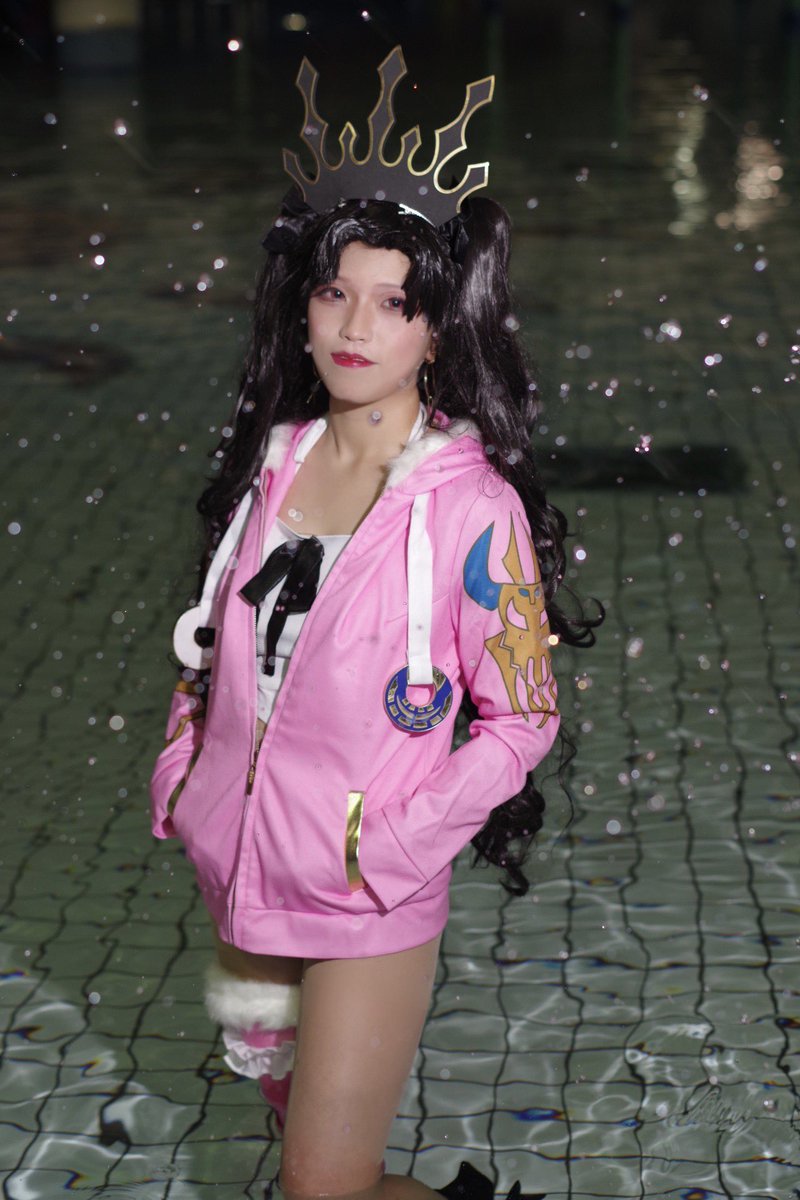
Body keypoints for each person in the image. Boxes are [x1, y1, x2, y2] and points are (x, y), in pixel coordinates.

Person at [149, 46, 599, 1200]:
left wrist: (386, 846)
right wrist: (184, 775)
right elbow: (218, 646)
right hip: (239, 877)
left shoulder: (470, 509)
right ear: (300, 306)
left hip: (365, 898)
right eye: (334, 292)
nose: (356, 325)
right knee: (308, 1160)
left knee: (320, 1188)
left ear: (437, 329)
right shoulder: (272, 464)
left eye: (394, 303)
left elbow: (522, 720)